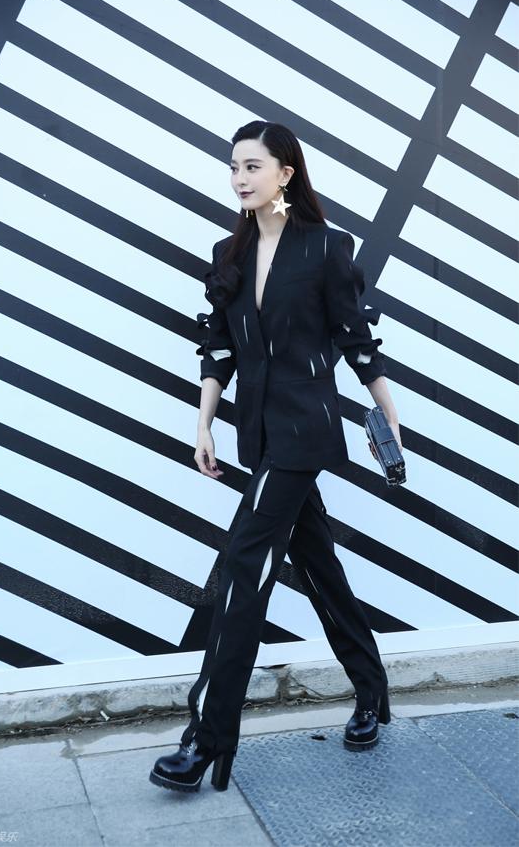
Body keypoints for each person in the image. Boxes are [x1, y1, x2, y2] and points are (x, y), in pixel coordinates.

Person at [150, 120, 402, 794]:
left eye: (253, 166)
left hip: (304, 431)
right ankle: (372, 689)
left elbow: (355, 338)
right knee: (317, 565)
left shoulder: (325, 246)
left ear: (286, 173)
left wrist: (389, 415)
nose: (239, 177)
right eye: (234, 166)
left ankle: (206, 738)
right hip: (258, 433)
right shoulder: (227, 252)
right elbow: (219, 347)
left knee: (243, 568)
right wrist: (204, 422)